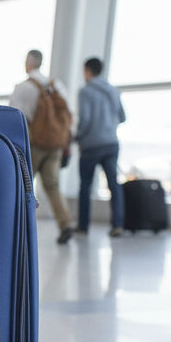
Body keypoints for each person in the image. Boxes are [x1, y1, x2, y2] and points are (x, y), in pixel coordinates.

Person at [9, 49, 75, 243]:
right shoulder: (57, 86)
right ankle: (66, 224)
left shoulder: (23, 87)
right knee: (53, 185)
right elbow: (68, 115)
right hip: (55, 144)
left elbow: (16, 117)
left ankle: (17, 225)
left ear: (29, 62)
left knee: (23, 186)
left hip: (34, 144)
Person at [75, 57, 127, 237]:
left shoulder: (86, 91)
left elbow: (86, 121)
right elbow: (122, 117)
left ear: (87, 71)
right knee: (114, 185)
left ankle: (83, 226)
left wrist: (78, 138)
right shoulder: (113, 90)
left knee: (86, 186)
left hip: (91, 145)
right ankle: (118, 224)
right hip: (112, 143)